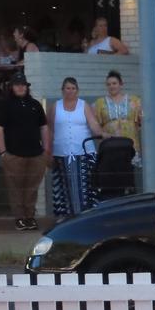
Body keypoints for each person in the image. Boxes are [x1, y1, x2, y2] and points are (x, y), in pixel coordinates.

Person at [0, 71, 50, 230]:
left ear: (26, 87)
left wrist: (45, 150)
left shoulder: (35, 105)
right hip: (13, 154)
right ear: (12, 87)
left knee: (32, 188)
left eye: (22, 85)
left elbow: (44, 128)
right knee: (15, 188)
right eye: (17, 85)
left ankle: (30, 217)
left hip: (36, 154)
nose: (20, 87)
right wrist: (3, 152)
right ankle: (19, 218)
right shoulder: (4, 105)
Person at [46, 77, 102, 218]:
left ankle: (85, 217)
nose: (70, 91)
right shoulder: (55, 107)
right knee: (64, 188)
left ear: (77, 90)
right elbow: (50, 130)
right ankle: (66, 219)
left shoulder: (84, 105)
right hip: (61, 153)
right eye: (67, 88)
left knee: (85, 188)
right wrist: (48, 151)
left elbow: (93, 125)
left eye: (73, 88)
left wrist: (103, 134)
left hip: (83, 152)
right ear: (62, 90)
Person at [94, 69, 142, 156]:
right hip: (110, 146)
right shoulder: (100, 103)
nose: (111, 86)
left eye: (114, 83)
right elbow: (95, 125)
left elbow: (143, 122)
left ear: (121, 84)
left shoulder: (135, 101)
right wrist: (102, 133)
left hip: (131, 146)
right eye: (109, 84)